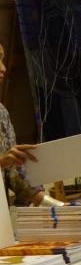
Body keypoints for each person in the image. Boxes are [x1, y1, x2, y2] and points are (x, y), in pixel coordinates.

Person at [0, 44, 43, 206]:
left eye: (2, 60)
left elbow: (12, 170)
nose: (3, 68)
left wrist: (51, 204)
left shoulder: (1, 112)